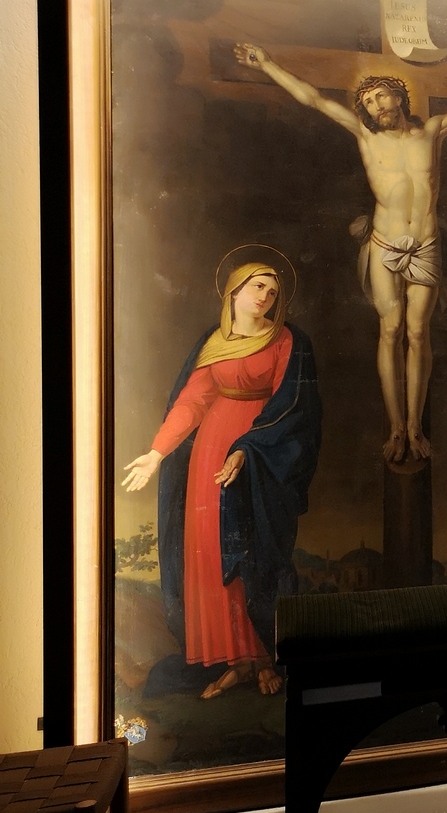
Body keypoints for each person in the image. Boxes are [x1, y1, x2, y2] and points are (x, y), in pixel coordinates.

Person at [233, 42, 447, 463]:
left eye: (381, 95)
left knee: (418, 333)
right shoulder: (366, 135)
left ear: (399, 97)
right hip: (384, 246)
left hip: (426, 246)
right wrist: (269, 63)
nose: (375, 105)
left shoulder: (432, 131)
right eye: (367, 101)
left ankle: (415, 426)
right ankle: (395, 426)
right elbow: (313, 99)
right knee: (391, 329)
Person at [122, 257, 322, 699]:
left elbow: (292, 406)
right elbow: (192, 402)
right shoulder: (212, 343)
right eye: (258, 286)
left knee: (253, 551)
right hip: (210, 454)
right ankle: (236, 662)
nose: (266, 296)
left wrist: (248, 448)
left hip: (262, 454)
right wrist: (157, 453)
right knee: (211, 552)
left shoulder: (287, 340)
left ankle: (263, 657)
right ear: (233, 290)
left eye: (273, 291)